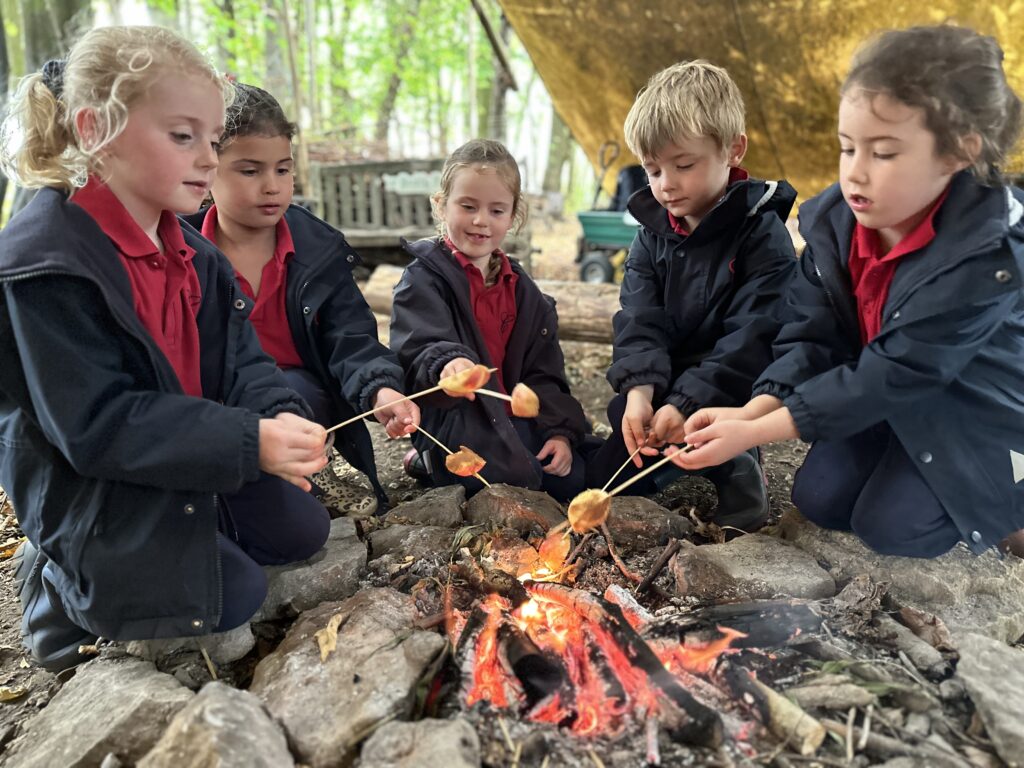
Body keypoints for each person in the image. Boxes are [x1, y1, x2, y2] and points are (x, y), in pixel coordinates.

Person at [0, 26, 331, 673]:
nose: (207, 158)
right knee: (233, 593)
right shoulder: (46, 264)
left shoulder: (196, 257)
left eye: (212, 140)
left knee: (303, 532)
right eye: (183, 137)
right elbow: (98, 425)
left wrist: (276, 413)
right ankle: (56, 581)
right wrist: (244, 443)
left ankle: (178, 540)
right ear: (97, 129)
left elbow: (242, 364)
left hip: (179, 458)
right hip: (97, 485)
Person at [669, 25, 1024, 558]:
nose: (855, 173)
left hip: (969, 414)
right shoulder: (838, 226)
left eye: (883, 154)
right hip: (880, 402)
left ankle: (1008, 502)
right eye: (847, 148)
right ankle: (904, 464)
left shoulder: (987, 253)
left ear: (957, 153)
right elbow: (813, 335)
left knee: (895, 530)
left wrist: (755, 434)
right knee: (821, 499)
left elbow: (898, 371)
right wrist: (751, 411)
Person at [183, 83, 417, 511]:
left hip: (302, 401)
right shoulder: (183, 251)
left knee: (292, 389)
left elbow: (351, 337)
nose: (271, 186)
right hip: (216, 404)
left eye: (283, 170)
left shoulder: (318, 250)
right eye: (250, 171)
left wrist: (380, 389)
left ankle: (305, 480)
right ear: (208, 167)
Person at [584, 60, 797, 532]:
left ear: (733, 150)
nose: (666, 184)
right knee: (619, 435)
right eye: (653, 169)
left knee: (706, 422)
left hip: (731, 381)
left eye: (683, 165)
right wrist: (642, 392)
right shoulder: (650, 234)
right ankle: (668, 456)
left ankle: (738, 464)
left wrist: (683, 403)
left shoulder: (762, 234)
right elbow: (639, 318)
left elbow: (755, 337)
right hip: (668, 371)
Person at [390, 139, 589, 501]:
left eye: (497, 211)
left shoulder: (523, 289)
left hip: (510, 412)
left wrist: (560, 433)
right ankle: (429, 458)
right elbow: (419, 346)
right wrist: (448, 364)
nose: (481, 221)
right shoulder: (423, 279)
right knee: (510, 476)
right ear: (441, 205)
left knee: (574, 473)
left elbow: (543, 373)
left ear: (513, 216)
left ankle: (524, 452)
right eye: (468, 206)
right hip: (454, 415)